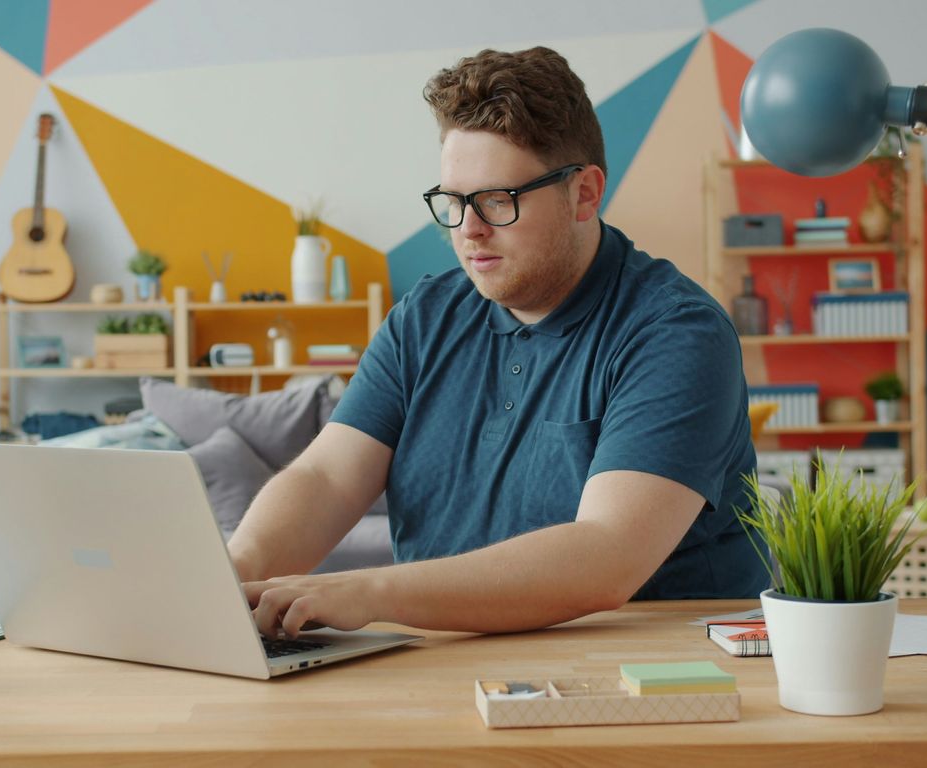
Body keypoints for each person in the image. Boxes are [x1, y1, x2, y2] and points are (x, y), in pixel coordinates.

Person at [229, 46, 767, 639]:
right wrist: (234, 569)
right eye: (453, 202)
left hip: (653, 673)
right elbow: (327, 479)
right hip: (451, 660)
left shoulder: (675, 332)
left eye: (496, 200)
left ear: (585, 193)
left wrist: (369, 590)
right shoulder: (423, 318)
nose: (468, 230)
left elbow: (607, 556)